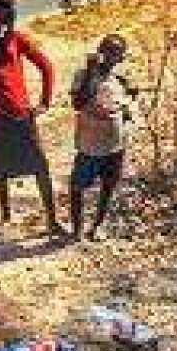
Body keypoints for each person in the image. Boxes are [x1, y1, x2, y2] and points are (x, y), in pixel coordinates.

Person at [0, 0, 63, 237]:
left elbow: (47, 67)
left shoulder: (17, 40)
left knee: (40, 166)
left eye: (2, 17)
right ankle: (6, 216)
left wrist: (44, 102)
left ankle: (52, 219)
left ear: (8, 17)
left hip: (21, 115)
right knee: (0, 169)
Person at [69, 34, 136, 242]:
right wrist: (90, 71)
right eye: (105, 50)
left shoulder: (121, 79)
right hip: (89, 143)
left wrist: (127, 109)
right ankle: (77, 228)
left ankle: (98, 225)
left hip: (115, 142)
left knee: (108, 185)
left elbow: (129, 103)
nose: (108, 56)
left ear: (121, 57)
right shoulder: (83, 75)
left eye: (115, 53)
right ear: (98, 51)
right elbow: (78, 103)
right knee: (77, 186)